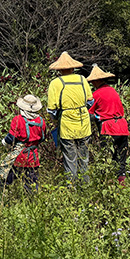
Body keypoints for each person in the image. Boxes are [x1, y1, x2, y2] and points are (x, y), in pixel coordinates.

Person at [47, 51, 94, 182]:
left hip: (67, 125)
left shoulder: (55, 83)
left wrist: (57, 118)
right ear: (73, 68)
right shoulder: (82, 79)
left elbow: (51, 110)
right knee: (84, 158)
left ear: (59, 69)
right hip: (84, 123)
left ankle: (71, 187)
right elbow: (90, 101)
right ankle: (85, 185)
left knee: (70, 158)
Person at [0, 94, 47, 200]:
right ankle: (32, 204)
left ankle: (0, 200)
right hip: (33, 156)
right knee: (31, 183)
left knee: (4, 178)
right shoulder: (41, 121)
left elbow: (10, 138)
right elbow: (43, 138)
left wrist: (4, 143)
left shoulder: (18, 120)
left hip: (18, 156)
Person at [86, 64, 129, 185]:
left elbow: (90, 112)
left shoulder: (97, 94)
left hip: (109, 128)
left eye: (93, 81)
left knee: (106, 157)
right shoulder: (112, 90)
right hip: (122, 126)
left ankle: (106, 182)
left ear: (97, 81)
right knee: (121, 157)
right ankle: (121, 183)